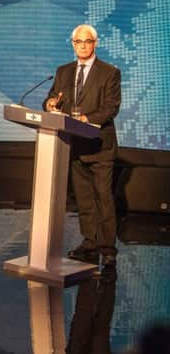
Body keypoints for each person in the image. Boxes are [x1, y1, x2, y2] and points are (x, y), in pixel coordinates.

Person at [43, 24, 121, 267]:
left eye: (87, 41)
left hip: (100, 146)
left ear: (95, 43)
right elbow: (51, 97)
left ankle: (107, 248)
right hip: (74, 146)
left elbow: (111, 107)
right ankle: (90, 242)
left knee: (103, 198)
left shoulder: (109, 72)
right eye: (78, 41)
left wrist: (88, 119)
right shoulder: (63, 71)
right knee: (84, 199)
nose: (83, 45)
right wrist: (50, 105)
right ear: (73, 44)